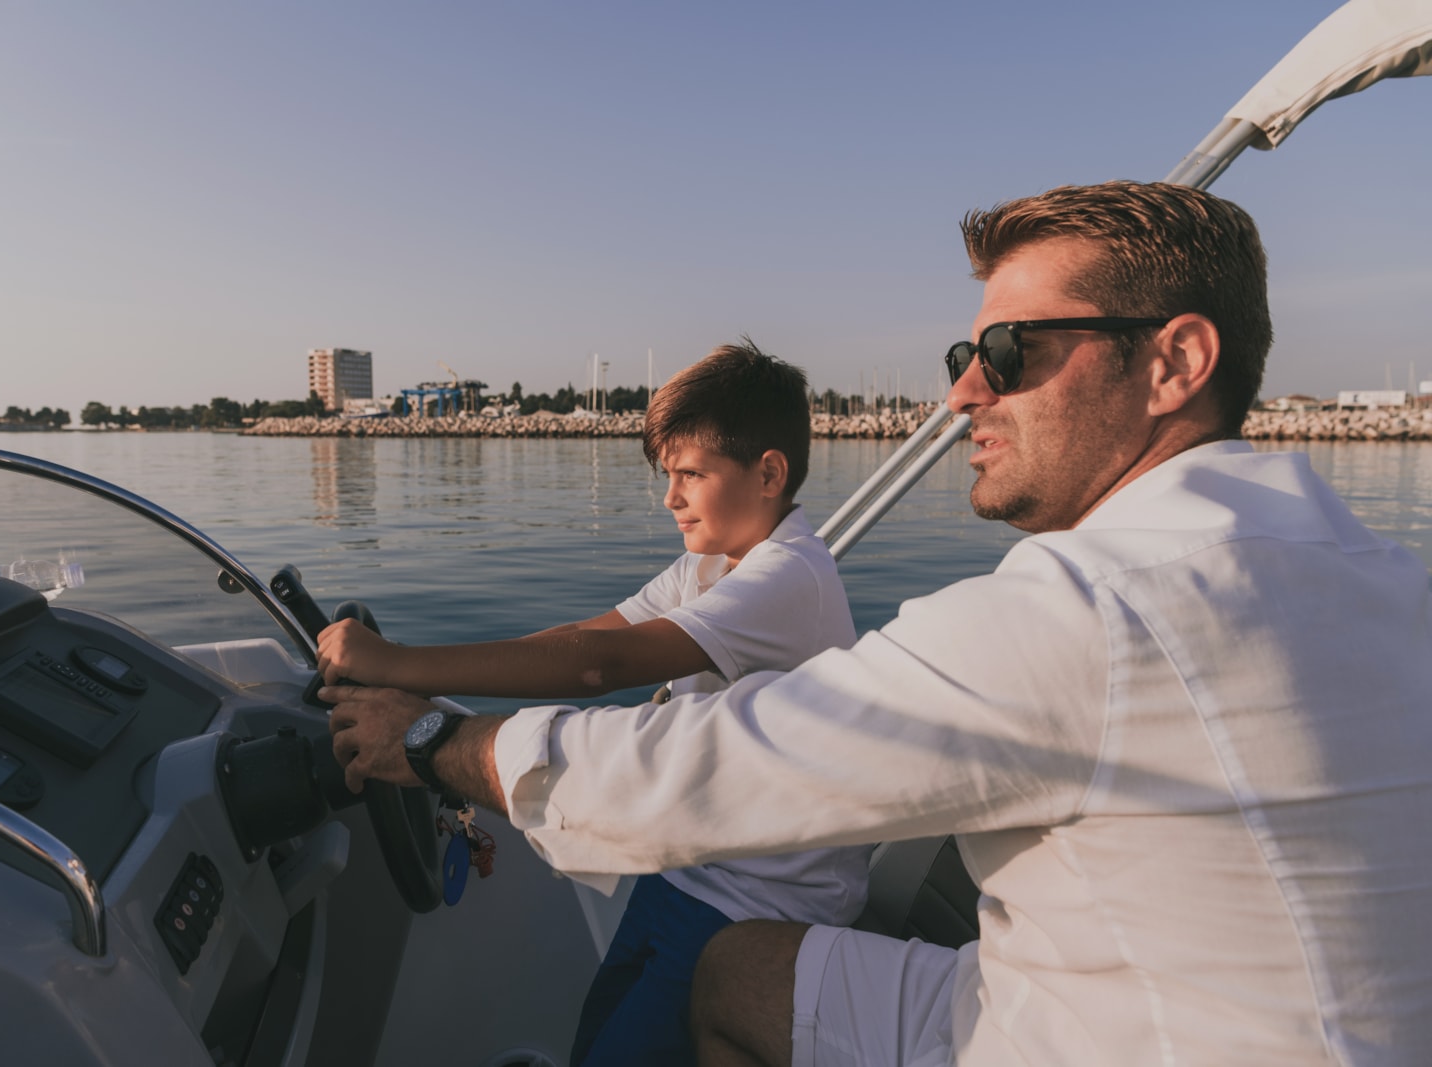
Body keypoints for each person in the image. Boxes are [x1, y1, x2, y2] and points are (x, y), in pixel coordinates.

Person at [324, 181, 1432, 1066]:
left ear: (1175, 362)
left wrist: (432, 737)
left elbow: (699, 768)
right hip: (1150, 990)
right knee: (741, 972)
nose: (961, 394)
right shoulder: (1380, 572)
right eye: (964, 357)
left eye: (1009, 352)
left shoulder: (1098, 608)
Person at [317, 341, 868, 1067]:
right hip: (690, 864)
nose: (670, 498)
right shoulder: (711, 562)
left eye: (691, 475)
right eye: (667, 476)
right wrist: (424, 684)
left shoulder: (789, 576)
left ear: (769, 473)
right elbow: (588, 635)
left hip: (760, 902)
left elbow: (600, 666)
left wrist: (394, 664)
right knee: (596, 1039)